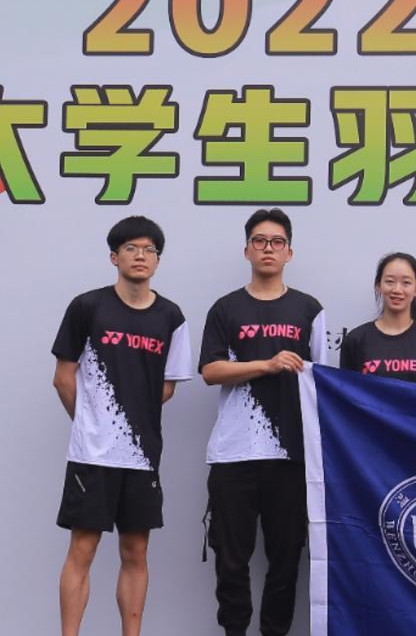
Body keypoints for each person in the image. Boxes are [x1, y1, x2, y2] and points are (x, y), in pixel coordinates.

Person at [53, 216, 193, 636]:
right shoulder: (87, 307)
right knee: (82, 548)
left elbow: (166, 387)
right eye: (131, 248)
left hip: (142, 455)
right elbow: (63, 378)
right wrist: (93, 423)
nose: (140, 256)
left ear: (158, 260)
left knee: (136, 551)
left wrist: (129, 422)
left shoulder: (171, 316)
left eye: (149, 250)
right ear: (114, 257)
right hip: (92, 456)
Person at [200, 208, 327, 636]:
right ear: (247, 250)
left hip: (291, 455)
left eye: (276, 242)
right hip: (233, 453)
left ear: (289, 252)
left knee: (286, 559)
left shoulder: (309, 309)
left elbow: (321, 380)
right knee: (230, 559)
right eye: (259, 241)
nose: (267, 248)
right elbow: (210, 371)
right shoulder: (225, 308)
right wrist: (266, 365)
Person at [340, 252, 416, 387]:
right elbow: (345, 393)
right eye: (390, 281)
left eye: (406, 283)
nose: (397, 290)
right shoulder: (355, 341)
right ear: (378, 286)